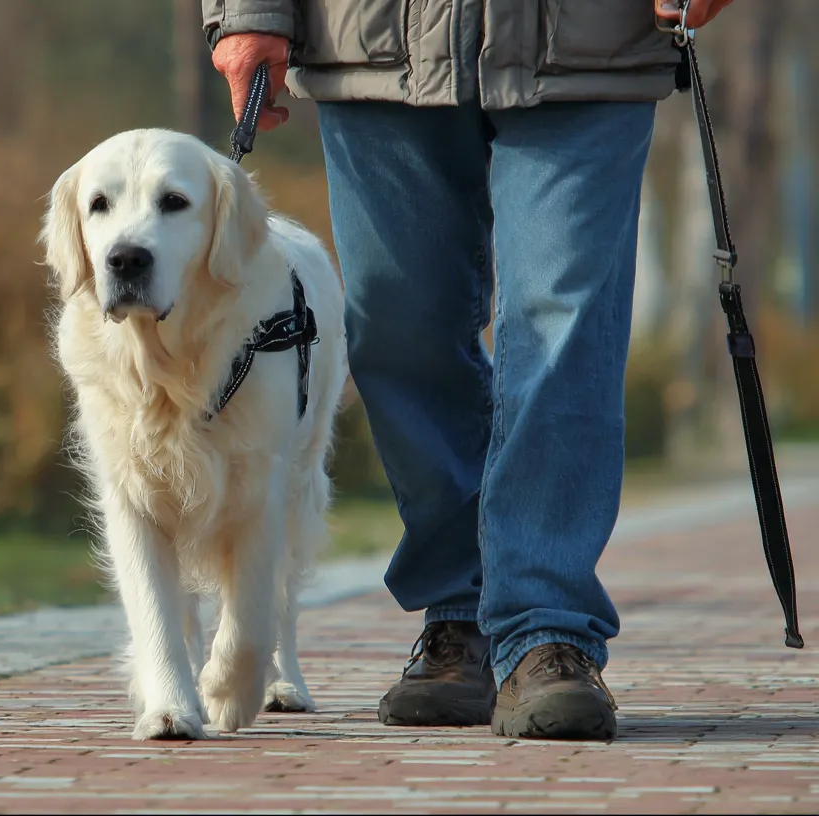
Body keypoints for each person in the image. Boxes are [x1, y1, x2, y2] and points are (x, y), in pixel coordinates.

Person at [201, 0, 734, 741]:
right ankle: (461, 610)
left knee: (562, 321)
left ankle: (549, 630)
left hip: (589, 40)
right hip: (373, 39)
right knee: (396, 327)